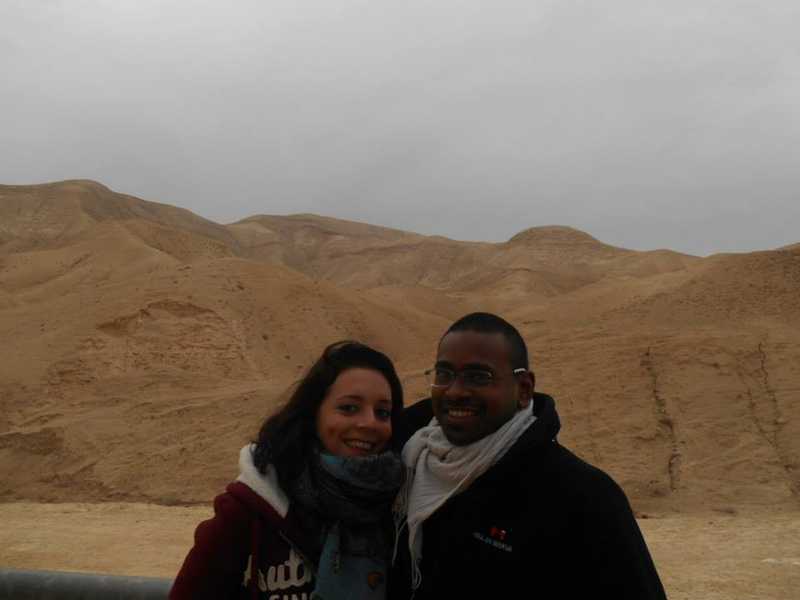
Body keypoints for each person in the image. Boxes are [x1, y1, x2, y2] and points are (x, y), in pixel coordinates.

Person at [390, 313, 667, 599]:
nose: (455, 391)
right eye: (444, 374)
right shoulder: (405, 464)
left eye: (478, 377)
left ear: (524, 389)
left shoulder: (583, 496)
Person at [170, 340, 406, 600]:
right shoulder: (248, 510)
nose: (369, 423)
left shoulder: (400, 509)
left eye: (382, 412)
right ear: (313, 413)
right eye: (349, 408)